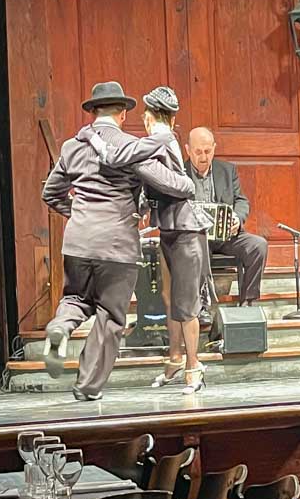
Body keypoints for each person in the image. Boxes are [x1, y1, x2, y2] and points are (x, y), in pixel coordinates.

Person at [41, 81, 194, 401]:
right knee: (110, 315)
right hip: (117, 245)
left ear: (93, 112)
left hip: (78, 242)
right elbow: (166, 185)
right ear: (123, 113)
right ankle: (87, 386)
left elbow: (50, 193)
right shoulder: (130, 147)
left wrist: (78, 213)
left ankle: (61, 326)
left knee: (76, 298)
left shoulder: (71, 147)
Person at [142, 89, 212, 395]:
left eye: (146, 116)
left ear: (152, 117)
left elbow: (171, 184)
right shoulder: (158, 141)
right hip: (168, 231)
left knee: (186, 304)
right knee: (169, 299)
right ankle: (174, 358)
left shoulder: (161, 138)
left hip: (186, 232)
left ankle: (194, 366)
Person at [184, 126, 268, 306]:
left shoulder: (227, 170)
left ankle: (248, 302)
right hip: (196, 238)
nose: (204, 157)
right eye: (198, 152)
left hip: (226, 235)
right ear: (188, 150)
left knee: (258, 246)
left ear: (214, 148)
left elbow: (241, 200)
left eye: (208, 151)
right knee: (197, 248)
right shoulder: (179, 173)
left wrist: (237, 218)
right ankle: (201, 305)